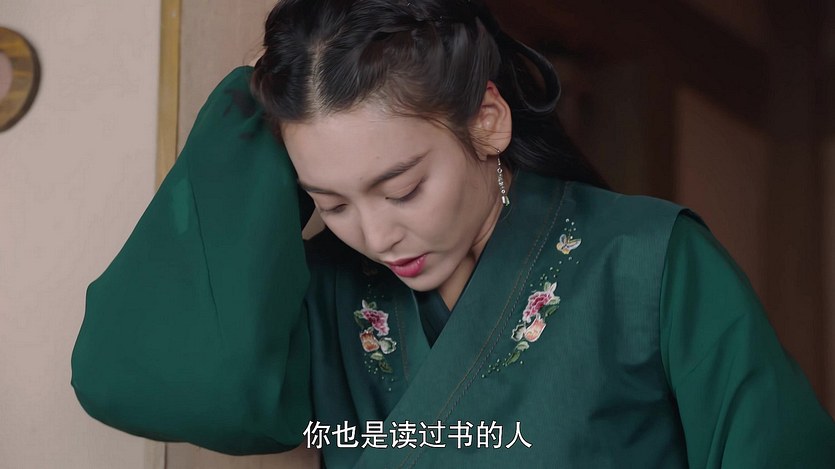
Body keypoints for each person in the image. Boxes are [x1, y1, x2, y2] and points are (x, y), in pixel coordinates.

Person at [71, 0, 835, 467]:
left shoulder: (647, 261)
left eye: (402, 187)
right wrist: (251, 106)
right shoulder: (328, 290)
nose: (375, 233)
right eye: (330, 202)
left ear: (487, 120)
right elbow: (147, 382)